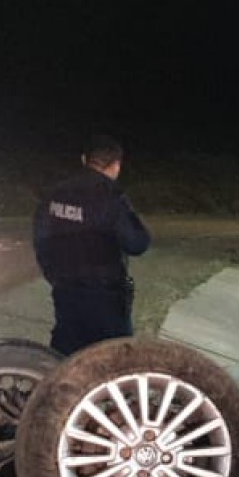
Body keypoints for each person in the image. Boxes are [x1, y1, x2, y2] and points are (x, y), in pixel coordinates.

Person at [34, 135, 151, 355]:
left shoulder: (55, 192)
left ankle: (61, 389)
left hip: (65, 289)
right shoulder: (111, 196)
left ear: (84, 159)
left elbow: (40, 238)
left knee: (64, 359)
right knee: (115, 361)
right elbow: (137, 243)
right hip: (105, 295)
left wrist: (53, 274)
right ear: (116, 165)